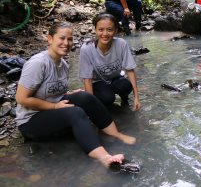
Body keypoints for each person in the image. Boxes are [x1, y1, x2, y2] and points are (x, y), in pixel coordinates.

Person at [15, 22, 135, 167]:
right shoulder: (38, 63)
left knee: (85, 97)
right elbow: (21, 98)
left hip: (52, 109)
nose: (66, 43)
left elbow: (51, 91)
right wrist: (54, 106)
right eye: (62, 38)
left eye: (70, 39)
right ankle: (105, 158)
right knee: (75, 113)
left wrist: (70, 94)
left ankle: (116, 134)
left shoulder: (63, 64)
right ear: (50, 39)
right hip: (30, 122)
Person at [79, 13, 141, 111]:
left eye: (109, 30)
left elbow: (130, 70)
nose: (105, 34)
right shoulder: (86, 49)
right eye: (100, 30)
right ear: (95, 30)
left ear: (116, 30)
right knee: (108, 98)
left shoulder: (121, 44)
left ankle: (124, 100)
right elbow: (87, 79)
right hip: (98, 82)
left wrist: (137, 98)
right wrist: (91, 107)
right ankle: (103, 97)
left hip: (115, 78)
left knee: (126, 85)